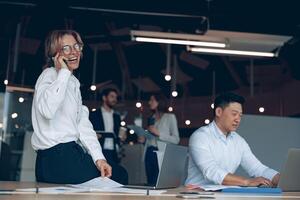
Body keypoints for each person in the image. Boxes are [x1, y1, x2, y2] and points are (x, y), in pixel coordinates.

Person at [31, 30, 112, 184]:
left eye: (76, 46)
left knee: (114, 173)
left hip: (69, 154)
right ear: (56, 54)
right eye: (66, 48)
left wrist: (99, 158)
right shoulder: (48, 75)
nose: (74, 52)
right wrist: (63, 72)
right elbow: (47, 110)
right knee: (115, 178)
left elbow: (82, 124)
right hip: (56, 157)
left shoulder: (73, 82)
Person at [185, 92, 280, 187]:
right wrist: (247, 182)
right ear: (218, 112)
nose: (238, 119)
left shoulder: (239, 141)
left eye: (240, 115)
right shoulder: (200, 137)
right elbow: (211, 170)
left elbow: (257, 168)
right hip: (196, 194)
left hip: (224, 194)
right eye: (234, 114)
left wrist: (282, 180)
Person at [89, 88, 128, 184]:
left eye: (115, 97)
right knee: (100, 176)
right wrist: (94, 135)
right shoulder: (94, 115)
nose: (114, 99)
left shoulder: (117, 117)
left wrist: (123, 137)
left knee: (114, 176)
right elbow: (88, 131)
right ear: (104, 98)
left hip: (113, 152)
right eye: (112, 96)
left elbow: (119, 134)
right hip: (99, 150)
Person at [143, 93, 180, 185]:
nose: (149, 102)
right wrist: (143, 139)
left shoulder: (170, 117)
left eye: (152, 100)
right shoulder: (151, 118)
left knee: (159, 182)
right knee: (150, 181)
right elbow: (150, 138)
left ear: (159, 102)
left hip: (161, 153)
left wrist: (159, 133)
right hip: (149, 151)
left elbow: (176, 139)